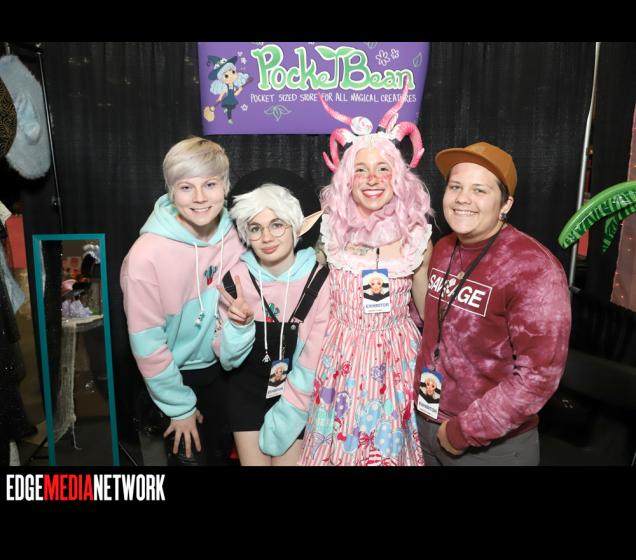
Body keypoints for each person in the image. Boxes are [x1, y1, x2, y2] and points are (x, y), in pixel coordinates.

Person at [278, 83, 434, 466]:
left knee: (387, 450)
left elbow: (428, 312)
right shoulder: (328, 229)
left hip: (395, 359)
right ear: (347, 178)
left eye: (383, 169)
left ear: (397, 177)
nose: (372, 179)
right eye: (361, 170)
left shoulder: (417, 235)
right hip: (340, 357)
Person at [414, 141, 571, 466]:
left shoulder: (533, 267)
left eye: (479, 190)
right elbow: (429, 325)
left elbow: (538, 377)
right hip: (424, 423)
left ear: (505, 204)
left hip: (488, 446)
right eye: (455, 186)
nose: (462, 198)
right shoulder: (443, 248)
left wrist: (463, 431)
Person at [120, 136, 244, 465]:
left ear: (225, 186)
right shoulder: (145, 257)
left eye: (210, 184)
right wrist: (178, 407)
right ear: (171, 192)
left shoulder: (238, 234)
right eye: (186, 187)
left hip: (228, 373)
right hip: (174, 378)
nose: (200, 197)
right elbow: (147, 343)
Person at [213, 175, 330, 466]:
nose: (266, 238)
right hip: (246, 393)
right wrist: (239, 327)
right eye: (256, 228)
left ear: (296, 227)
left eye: (277, 225)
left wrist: (289, 414)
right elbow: (227, 360)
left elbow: (313, 361)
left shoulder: (321, 280)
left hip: (298, 394)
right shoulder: (235, 280)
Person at [208, 55, 249, 125]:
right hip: (227, 99)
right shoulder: (225, 86)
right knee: (229, 108)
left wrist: (239, 90)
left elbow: (235, 94)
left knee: (233, 106)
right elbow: (223, 92)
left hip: (232, 99)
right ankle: (229, 119)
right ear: (221, 79)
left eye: (233, 72)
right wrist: (220, 97)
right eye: (226, 76)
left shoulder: (234, 86)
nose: (231, 76)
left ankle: (226, 109)